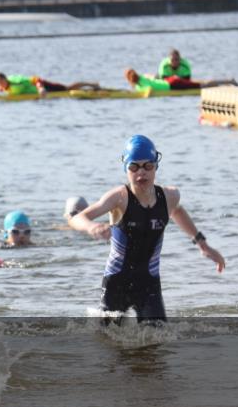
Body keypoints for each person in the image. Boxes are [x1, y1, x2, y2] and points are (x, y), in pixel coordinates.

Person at [68, 135, 226, 323]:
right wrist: (91, 226)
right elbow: (77, 218)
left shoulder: (170, 196)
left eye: (147, 166)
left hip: (149, 283)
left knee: (157, 342)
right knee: (108, 342)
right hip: (117, 282)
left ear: (155, 166)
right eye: (134, 167)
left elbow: (177, 212)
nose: (141, 173)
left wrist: (203, 245)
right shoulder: (119, 197)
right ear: (126, 169)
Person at [124, 68, 237, 92]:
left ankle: (229, 82)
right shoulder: (144, 76)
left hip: (173, 85)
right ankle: (227, 83)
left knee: (203, 85)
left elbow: (149, 90)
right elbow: (154, 76)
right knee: (202, 83)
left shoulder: (140, 86)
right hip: (171, 80)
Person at [0, 73, 100, 97]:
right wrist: (0, 88)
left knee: (68, 88)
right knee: (67, 90)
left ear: (5, 79)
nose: (0, 84)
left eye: (1, 82)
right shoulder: (5, 86)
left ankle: (92, 84)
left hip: (44, 87)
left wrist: (41, 88)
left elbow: (35, 79)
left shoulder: (16, 82)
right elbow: (7, 88)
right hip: (41, 92)